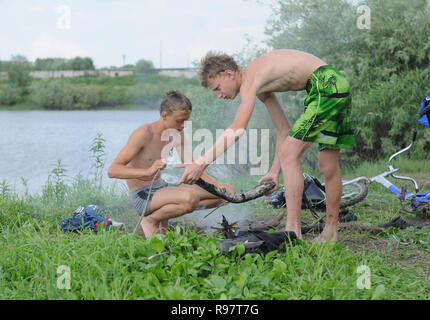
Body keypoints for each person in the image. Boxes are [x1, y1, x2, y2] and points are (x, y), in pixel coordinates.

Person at [177, 49, 355, 242]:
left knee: (289, 154)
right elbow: (284, 129)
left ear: (229, 73)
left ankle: (293, 232)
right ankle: (330, 231)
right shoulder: (261, 86)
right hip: (334, 84)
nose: (219, 95)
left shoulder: (249, 80)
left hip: (325, 85)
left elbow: (237, 128)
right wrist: (274, 172)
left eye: (217, 88)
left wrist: (201, 163)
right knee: (327, 166)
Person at [108, 90, 234, 238]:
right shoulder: (144, 133)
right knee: (190, 198)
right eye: (180, 121)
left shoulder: (177, 133)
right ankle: (150, 220)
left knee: (226, 192)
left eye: (186, 121)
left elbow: (193, 167)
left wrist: (217, 185)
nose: (183, 126)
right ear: (165, 115)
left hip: (162, 187)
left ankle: (164, 214)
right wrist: (147, 172)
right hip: (143, 194)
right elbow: (113, 170)